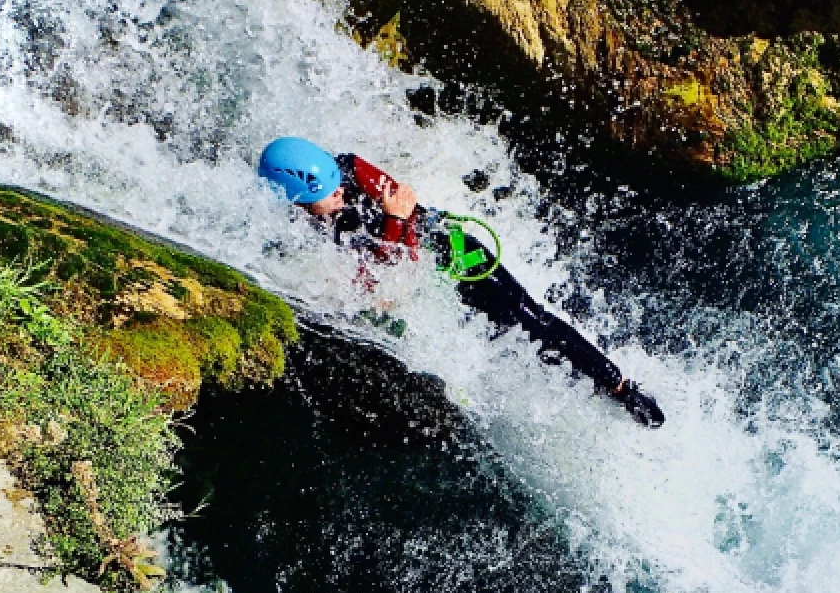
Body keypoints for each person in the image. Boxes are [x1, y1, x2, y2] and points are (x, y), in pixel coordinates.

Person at [258, 136, 665, 428]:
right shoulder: (307, 226)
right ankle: (555, 394)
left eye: (336, 186)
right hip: (418, 273)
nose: (340, 195)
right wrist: (392, 230)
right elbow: (377, 280)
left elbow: (404, 243)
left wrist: (397, 224)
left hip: (449, 249)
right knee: (496, 342)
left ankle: (619, 386)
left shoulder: (349, 171)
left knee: (529, 318)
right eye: (327, 195)